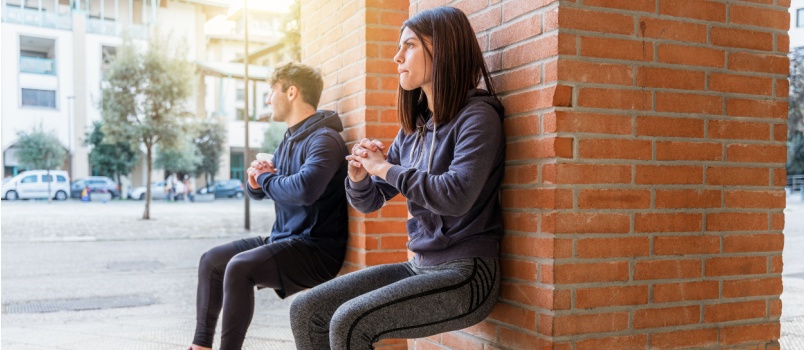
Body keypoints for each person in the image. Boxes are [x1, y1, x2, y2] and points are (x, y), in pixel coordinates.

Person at [290, 6, 505, 349]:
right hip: (420, 266)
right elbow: (370, 200)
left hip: (466, 274)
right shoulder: (415, 130)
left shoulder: (478, 118)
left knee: (349, 322)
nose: (396, 57)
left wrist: (384, 167)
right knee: (307, 309)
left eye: (410, 46)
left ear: (444, 49)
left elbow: (457, 194)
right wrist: (360, 175)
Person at [188, 62, 349, 350]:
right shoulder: (288, 139)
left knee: (239, 267)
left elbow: (304, 190)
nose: (267, 99)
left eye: (271, 91)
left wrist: (265, 177)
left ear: (291, 92)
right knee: (211, 261)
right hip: (285, 239)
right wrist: (255, 181)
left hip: (316, 248)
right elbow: (267, 191)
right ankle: (200, 346)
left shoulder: (325, 140)